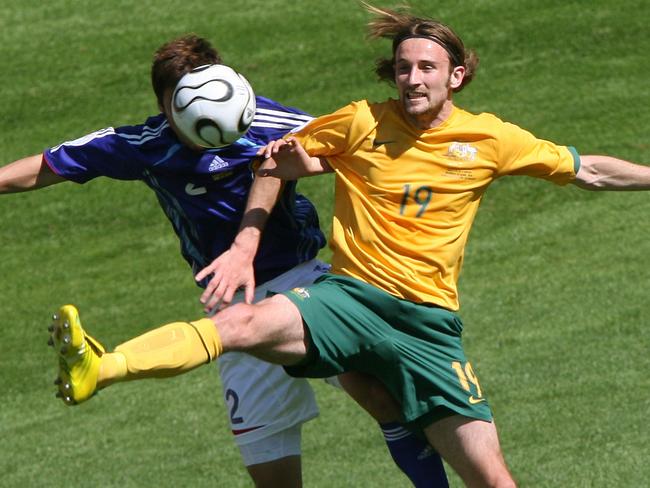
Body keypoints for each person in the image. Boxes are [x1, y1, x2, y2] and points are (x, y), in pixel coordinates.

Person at [45, 3, 650, 486]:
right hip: (348, 298)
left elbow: (588, 169)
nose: (413, 77)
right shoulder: (361, 121)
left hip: (429, 325)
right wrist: (246, 244)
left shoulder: (491, 139)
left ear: (455, 76)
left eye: (427, 68)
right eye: (404, 66)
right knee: (239, 325)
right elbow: (273, 164)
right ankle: (103, 365)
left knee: (491, 478)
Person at [4, 33, 449, 488]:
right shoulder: (144, 144)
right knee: (273, 475)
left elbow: (352, 146)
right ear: (163, 106)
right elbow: (48, 165)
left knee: (375, 390)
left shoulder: (264, 118)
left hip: (305, 281)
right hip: (230, 302)